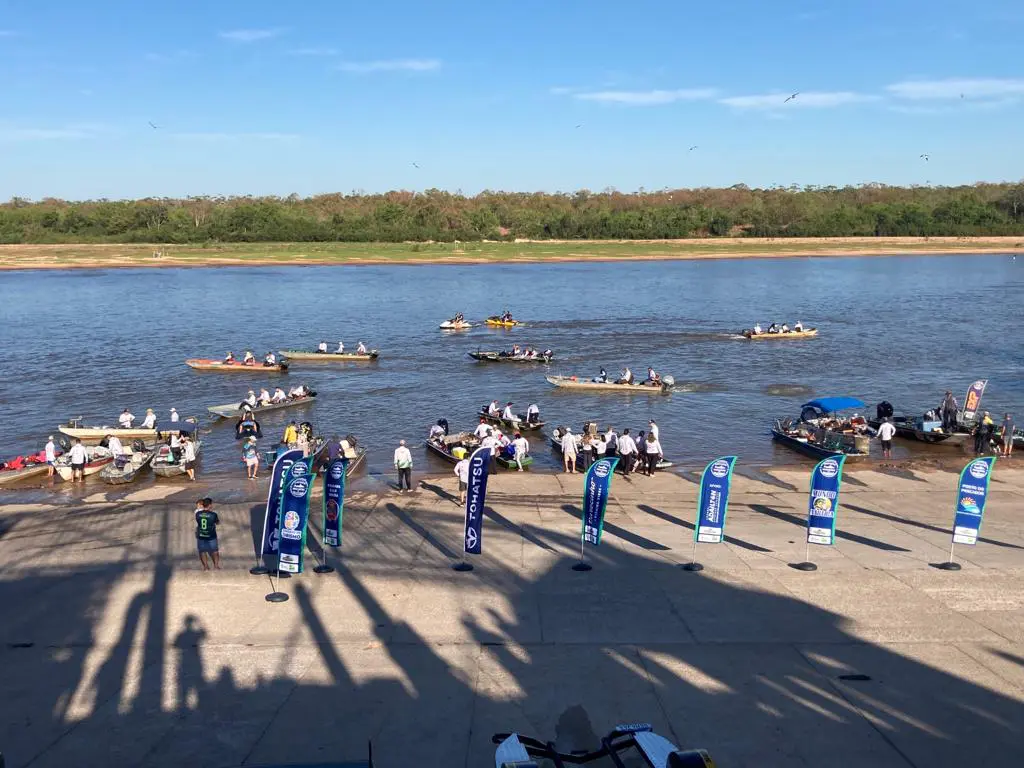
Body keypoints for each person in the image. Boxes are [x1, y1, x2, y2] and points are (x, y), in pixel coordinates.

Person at [195, 497, 220, 571]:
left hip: (201, 535)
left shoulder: (197, 514)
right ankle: (216, 566)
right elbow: (217, 522)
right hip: (211, 536)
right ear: (209, 505)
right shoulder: (213, 514)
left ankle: (206, 567)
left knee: (202, 551)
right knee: (215, 551)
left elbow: (199, 520)